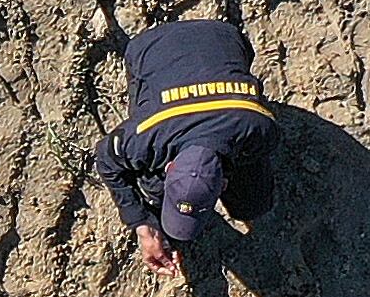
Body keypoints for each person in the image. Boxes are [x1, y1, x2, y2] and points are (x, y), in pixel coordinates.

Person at [89, 15, 280, 276]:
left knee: (253, 202)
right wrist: (142, 223)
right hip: (150, 47)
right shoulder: (145, 136)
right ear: (168, 167)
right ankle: (159, 202)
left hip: (223, 37)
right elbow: (105, 159)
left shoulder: (259, 128)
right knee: (153, 190)